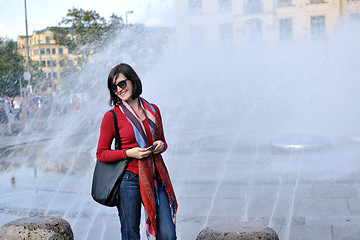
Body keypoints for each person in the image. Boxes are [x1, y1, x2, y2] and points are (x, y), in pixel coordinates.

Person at [96, 63, 177, 240]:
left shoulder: (153, 110)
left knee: (168, 234)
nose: (118, 89)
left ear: (133, 81)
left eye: (122, 84)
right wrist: (128, 153)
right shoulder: (113, 116)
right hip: (128, 179)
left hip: (155, 177)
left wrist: (161, 145)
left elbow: (162, 140)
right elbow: (101, 154)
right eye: (113, 87)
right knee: (131, 234)